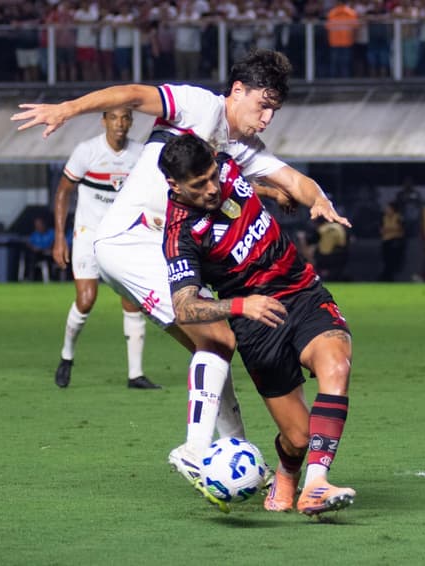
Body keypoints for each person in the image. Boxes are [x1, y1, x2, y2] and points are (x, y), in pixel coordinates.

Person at [11, 49, 349, 507]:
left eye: (275, 110)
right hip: (132, 241)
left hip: (158, 248)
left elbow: (292, 179)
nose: (267, 118)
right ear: (237, 91)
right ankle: (194, 450)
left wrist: (318, 199)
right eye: (262, 105)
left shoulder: (240, 149)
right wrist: (67, 109)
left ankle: (237, 455)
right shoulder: (199, 106)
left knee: (212, 349)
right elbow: (133, 94)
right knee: (219, 337)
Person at [159, 134, 356, 516]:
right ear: (175, 185)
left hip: (302, 291)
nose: (212, 188)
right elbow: (184, 308)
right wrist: (240, 305)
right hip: (257, 320)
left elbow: (264, 179)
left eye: (213, 176)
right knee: (298, 437)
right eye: (199, 185)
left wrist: (279, 193)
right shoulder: (180, 234)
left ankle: (316, 484)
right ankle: (287, 472)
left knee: (336, 366)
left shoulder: (225, 161)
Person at [51, 108, 160, 390]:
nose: (120, 123)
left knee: (133, 300)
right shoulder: (86, 151)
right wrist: (60, 237)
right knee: (86, 300)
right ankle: (67, 356)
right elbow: (63, 191)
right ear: (104, 121)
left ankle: (135, 374)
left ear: (131, 121)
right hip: (88, 234)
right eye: (113, 118)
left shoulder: (140, 154)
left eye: (125, 118)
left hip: (123, 237)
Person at [378, 200, 405, 282]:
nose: (386, 209)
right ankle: (386, 276)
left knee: (393, 260)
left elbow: (401, 229)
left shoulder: (398, 217)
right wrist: (390, 230)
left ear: (393, 209)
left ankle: (389, 276)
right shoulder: (384, 217)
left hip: (395, 241)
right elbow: (381, 230)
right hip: (386, 240)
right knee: (386, 259)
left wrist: (388, 230)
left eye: (388, 208)